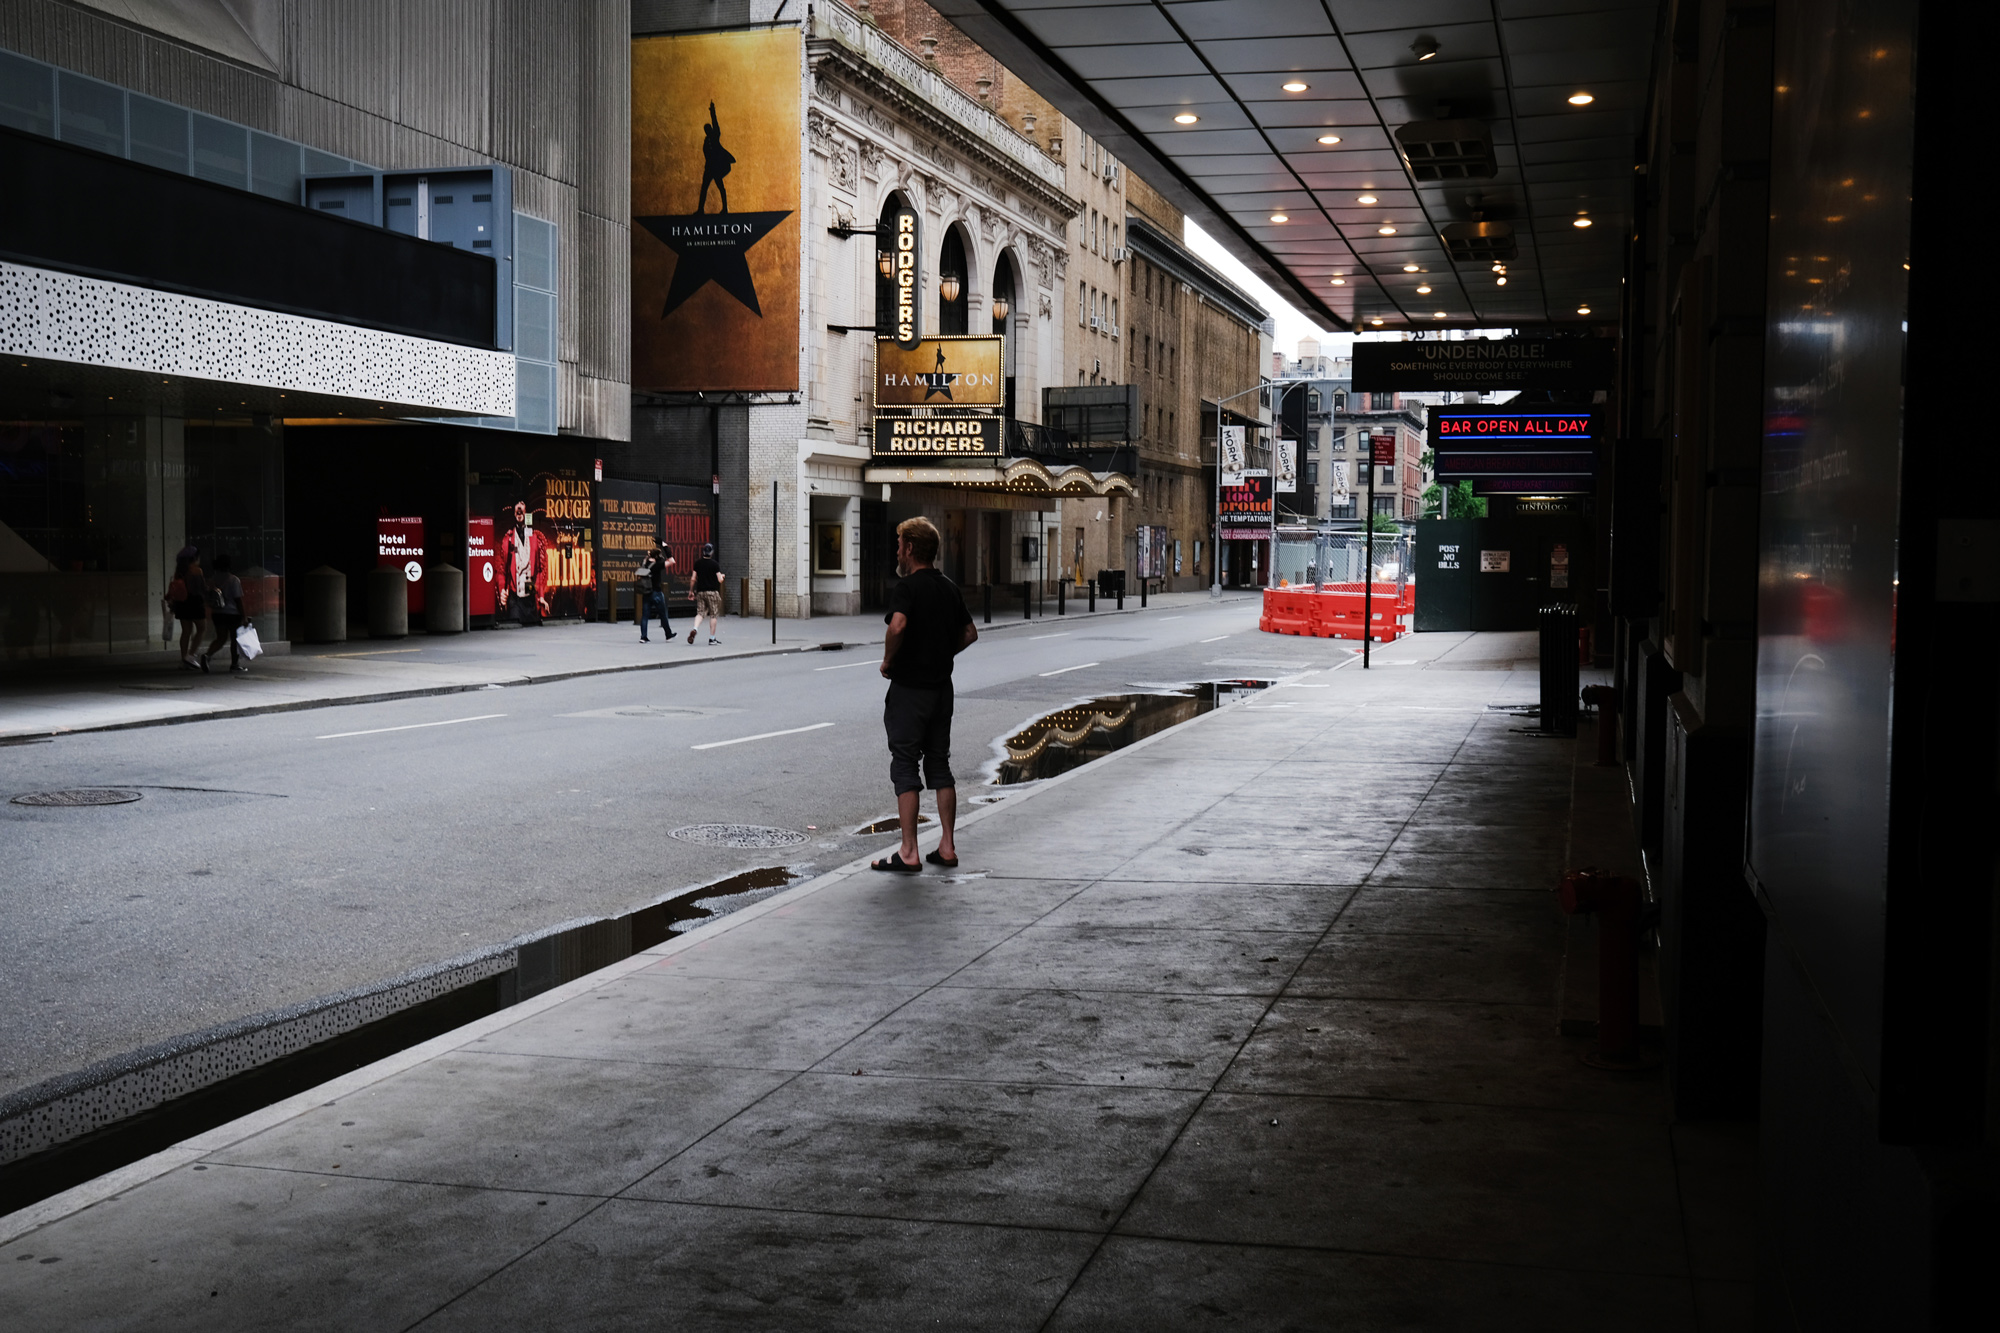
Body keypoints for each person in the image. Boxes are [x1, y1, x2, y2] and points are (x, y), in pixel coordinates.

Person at [873, 516, 976, 873]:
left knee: (905, 764)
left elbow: (897, 625)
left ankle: (909, 851)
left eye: (899, 544)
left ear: (911, 548)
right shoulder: (948, 587)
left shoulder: (908, 587)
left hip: (909, 691)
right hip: (940, 690)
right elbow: (969, 633)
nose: (897, 551)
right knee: (939, 762)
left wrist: (888, 659)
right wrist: (942, 654)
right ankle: (946, 846)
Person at [497, 500, 551, 626]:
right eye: (516, 505)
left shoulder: (534, 539)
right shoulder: (508, 540)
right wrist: (502, 590)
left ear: (526, 512)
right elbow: (501, 571)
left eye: (522, 504)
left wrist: (541, 596)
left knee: (531, 629)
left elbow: (538, 570)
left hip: (530, 595)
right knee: (516, 629)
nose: (519, 508)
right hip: (515, 597)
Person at [198, 553, 248, 673]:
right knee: (235, 639)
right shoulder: (233, 580)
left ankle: (207, 655)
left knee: (221, 638)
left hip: (217, 613)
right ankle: (234, 664)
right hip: (232, 614)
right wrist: (244, 616)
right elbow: (238, 599)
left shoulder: (213, 580)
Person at [168, 545, 207, 669]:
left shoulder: (179, 572)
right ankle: (190, 656)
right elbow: (202, 588)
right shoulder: (197, 571)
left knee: (186, 631)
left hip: (182, 603)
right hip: (194, 602)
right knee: (201, 628)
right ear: (194, 558)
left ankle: (184, 658)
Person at [636, 539, 676, 642]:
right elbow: (672, 561)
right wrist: (664, 545)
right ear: (658, 556)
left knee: (645, 615)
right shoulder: (658, 565)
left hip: (646, 592)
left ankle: (643, 637)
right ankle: (668, 634)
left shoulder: (645, 562)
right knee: (663, 614)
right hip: (656, 592)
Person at [687, 543, 725, 645]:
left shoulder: (697, 563)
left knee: (700, 613)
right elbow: (720, 580)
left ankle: (695, 628)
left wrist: (691, 591)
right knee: (713, 615)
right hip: (712, 592)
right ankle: (712, 638)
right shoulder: (714, 564)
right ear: (711, 552)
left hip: (700, 592)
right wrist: (722, 576)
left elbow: (693, 578)